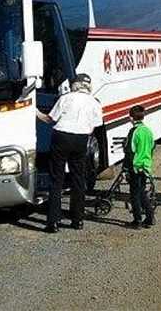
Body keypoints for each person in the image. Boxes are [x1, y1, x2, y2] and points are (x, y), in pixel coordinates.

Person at [36, 73, 103, 233]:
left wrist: (36, 112)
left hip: (61, 136)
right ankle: (77, 220)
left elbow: (50, 119)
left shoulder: (66, 98)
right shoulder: (94, 102)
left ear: (75, 85)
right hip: (80, 139)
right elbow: (95, 125)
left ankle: (53, 222)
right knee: (78, 179)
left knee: (56, 179)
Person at [125, 104, 155, 229]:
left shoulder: (133, 132)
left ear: (131, 118)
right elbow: (152, 146)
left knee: (134, 195)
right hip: (146, 166)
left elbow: (130, 150)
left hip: (135, 167)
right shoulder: (148, 131)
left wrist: (126, 168)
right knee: (142, 192)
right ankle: (150, 217)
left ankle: (137, 220)